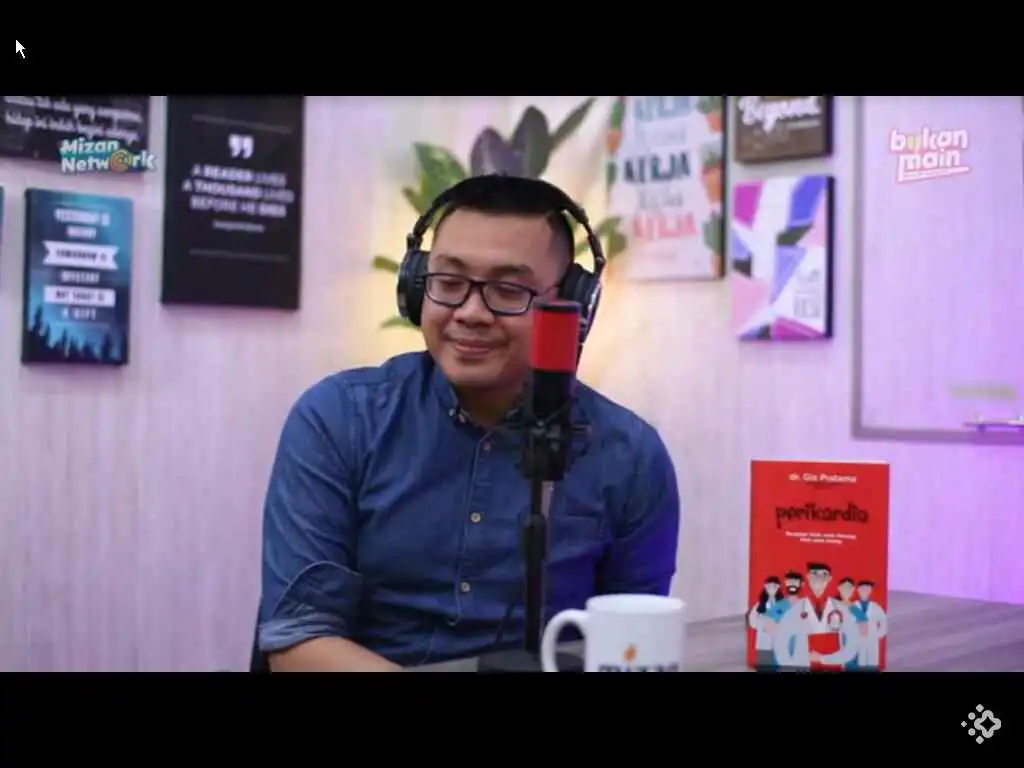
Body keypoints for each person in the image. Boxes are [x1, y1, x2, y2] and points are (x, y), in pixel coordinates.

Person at [257, 175, 681, 672]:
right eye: (449, 283)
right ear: (417, 286)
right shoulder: (339, 420)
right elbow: (299, 642)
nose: (471, 312)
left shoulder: (630, 456)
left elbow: (634, 646)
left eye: (508, 289)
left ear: (572, 306)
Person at [772, 562, 858, 670]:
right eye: (814, 573)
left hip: (834, 667)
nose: (819, 578)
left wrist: (823, 659)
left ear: (830, 578)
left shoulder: (841, 609)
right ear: (808, 577)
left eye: (824, 574)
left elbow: (853, 645)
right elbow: (780, 641)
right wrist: (789, 665)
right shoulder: (796, 609)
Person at [748, 576, 783, 667]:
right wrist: (763, 625)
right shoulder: (760, 605)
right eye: (769, 586)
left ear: (778, 587)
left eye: (774, 587)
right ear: (765, 587)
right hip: (763, 642)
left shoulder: (782, 604)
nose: (771, 589)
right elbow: (752, 620)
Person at [853, 580, 887, 670]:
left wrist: (876, 635)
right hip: (857, 643)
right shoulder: (853, 607)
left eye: (867, 589)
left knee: (871, 666)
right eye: (862, 589)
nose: (864, 592)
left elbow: (884, 623)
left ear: (870, 591)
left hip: (872, 643)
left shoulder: (876, 607)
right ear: (858, 590)